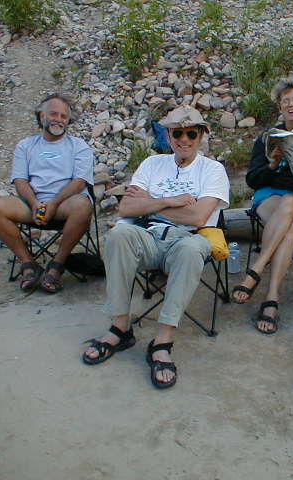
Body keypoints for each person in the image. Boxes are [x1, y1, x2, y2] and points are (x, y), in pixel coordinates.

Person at [82, 105, 229, 389]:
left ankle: (162, 342)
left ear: (201, 136)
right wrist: (170, 201)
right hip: (146, 235)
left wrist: (148, 204)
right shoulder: (152, 164)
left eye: (191, 133)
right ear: (168, 135)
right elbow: (126, 208)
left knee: (191, 250)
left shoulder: (213, 170)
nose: (184, 139)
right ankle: (120, 328)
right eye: (177, 133)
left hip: (187, 237)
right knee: (118, 235)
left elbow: (198, 217)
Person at [0, 94, 94, 293]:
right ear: (42, 116)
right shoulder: (25, 145)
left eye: (63, 116)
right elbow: (20, 180)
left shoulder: (79, 146)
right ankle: (28, 264)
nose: (58, 119)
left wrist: (54, 203)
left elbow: (80, 182)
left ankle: (56, 266)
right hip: (32, 204)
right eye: (53, 114)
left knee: (83, 205)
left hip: (64, 205)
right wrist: (35, 203)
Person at [231, 78, 293, 335]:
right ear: (280, 107)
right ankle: (272, 299)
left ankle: (256, 269)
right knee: (290, 228)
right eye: (285, 101)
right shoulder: (268, 138)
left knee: (290, 202)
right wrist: (272, 164)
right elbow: (253, 180)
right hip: (270, 195)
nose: (291, 104)